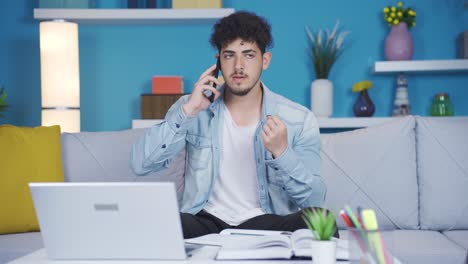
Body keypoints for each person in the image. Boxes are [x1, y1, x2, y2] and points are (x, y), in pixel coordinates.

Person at [132, 11, 333, 239]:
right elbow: (141, 164)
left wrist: (282, 152)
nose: (238, 66)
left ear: (264, 60)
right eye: (229, 55)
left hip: (264, 222)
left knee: (321, 220)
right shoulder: (192, 107)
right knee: (153, 220)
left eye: (248, 55)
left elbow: (314, 200)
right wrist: (188, 112)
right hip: (206, 221)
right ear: (218, 60)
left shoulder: (299, 118)